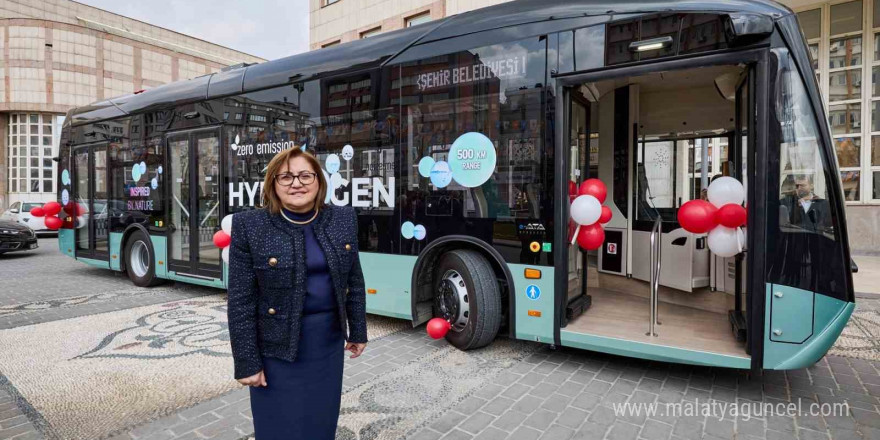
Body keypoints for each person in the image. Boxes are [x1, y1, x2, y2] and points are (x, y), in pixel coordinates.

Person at [226, 146, 368, 440]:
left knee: (320, 423)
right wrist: (247, 362)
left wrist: (358, 331)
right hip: (276, 349)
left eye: (305, 175)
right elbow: (240, 301)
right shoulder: (249, 226)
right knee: (279, 427)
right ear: (273, 186)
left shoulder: (344, 219)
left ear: (318, 181)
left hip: (326, 343)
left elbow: (353, 279)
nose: (296, 183)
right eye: (286, 177)